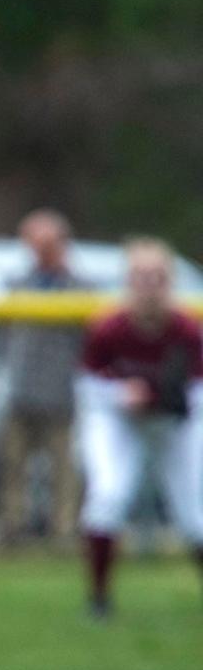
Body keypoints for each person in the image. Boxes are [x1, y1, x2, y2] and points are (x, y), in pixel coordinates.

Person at [77, 237, 203, 617]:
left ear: (170, 281)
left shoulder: (187, 331)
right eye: (140, 277)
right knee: (108, 496)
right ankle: (99, 599)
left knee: (194, 512)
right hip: (121, 422)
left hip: (174, 423)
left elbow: (197, 392)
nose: (148, 286)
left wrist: (168, 398)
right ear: (128, 281)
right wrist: (121, 395)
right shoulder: (110, 328)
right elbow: (86, 385)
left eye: (157, 277)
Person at [0, 209, 87, 546]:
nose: (39, 251)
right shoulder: (18, 285)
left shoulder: (79, 288)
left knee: (62, 468)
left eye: (47, 244)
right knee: (12, 463)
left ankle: (62, 531)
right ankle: (13, 528)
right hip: (20, 390)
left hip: (60, 392)